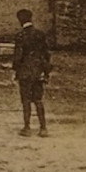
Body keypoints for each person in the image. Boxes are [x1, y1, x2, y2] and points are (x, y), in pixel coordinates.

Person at [11, 8, 51, 136]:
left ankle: (27, 128)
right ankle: (43, 128)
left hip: (25, 72)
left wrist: (16, 70)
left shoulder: (20, 36)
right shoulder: (40, 34)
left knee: (26, 100)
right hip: (38, 71)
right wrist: (45, 71)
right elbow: (46, 54)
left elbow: (18, 57)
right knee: (38, 100)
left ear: (20, 20)